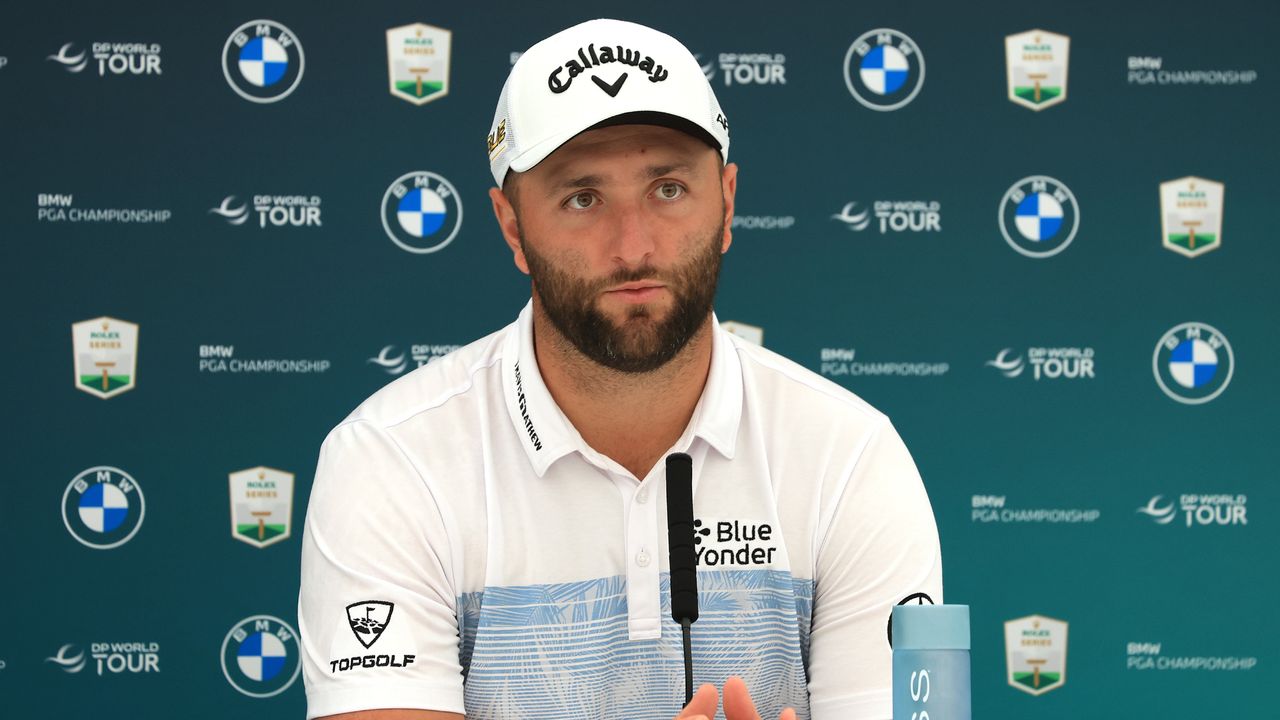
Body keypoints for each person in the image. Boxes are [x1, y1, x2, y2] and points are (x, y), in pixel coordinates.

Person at [298, 18, 942, 720]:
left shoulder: (850, 456)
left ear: (726, 202)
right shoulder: (392, 460)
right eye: (583, 198)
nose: (633, 246)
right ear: (513, 225)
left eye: (667, 189)